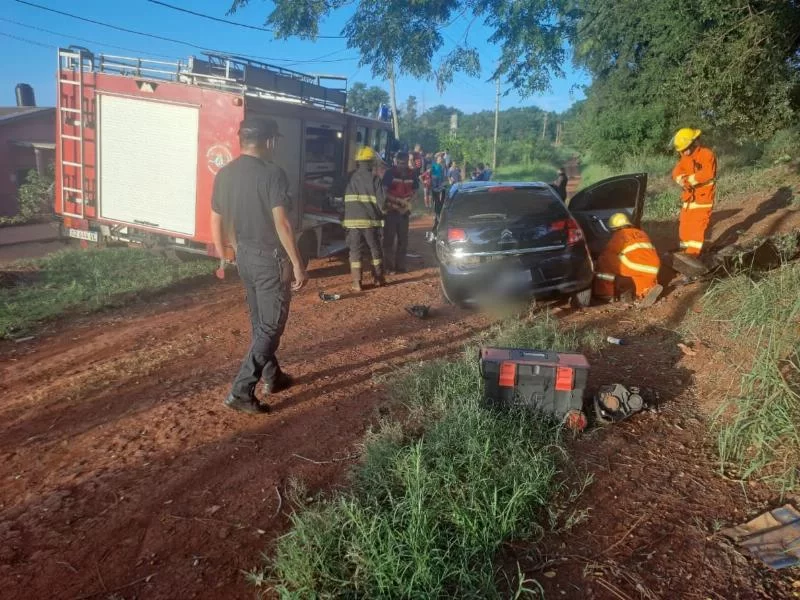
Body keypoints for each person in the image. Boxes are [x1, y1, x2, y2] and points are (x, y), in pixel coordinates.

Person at [211, 117, 308, 414]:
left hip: (245, 257)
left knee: (259, 323)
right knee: (270, 326)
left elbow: (218, 218)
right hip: (269, 259)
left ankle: (273, 376)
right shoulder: (272, 174)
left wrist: (225, 253)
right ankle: (241, 390)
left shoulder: (225, 174)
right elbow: (282, 222)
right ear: (269, 142)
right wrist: (297, 262)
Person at [593, 212, 662, 307]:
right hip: (654, 265)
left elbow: (608, 253)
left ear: (615, 228)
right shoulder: (641, 233)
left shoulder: (619, 235)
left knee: (604, 259)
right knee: (643, 276)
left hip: (635, 266)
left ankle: (605, 293)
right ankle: (647, 290)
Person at [344, 147, 386, 291]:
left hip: (351, 221)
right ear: (371, 163)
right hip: (369, 221)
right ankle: (378, 278)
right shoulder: (375, 179)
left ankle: (357, 282)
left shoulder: (350, 177)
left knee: (355, 251)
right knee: (375, 250)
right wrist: (385, 213)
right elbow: (382, 203)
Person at [671, 128, 717, 256]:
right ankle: (684, 254)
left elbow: (707, 173)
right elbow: (676, 172)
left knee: (697, 229)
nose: (684, 152)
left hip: (703, 200)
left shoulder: (706, 154)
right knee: (684, 228)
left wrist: (689, 180)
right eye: (681, 150)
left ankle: (692, 256)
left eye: (686, 148)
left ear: (694, 143)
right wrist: (680, 179)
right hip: (688, 200)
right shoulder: (685, 158)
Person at [382, 151, 417, 273]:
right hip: (391, 211)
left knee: (403, 240)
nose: (403, 166)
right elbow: (384, 192)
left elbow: (415, 190)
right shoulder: (389, 174)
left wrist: (407, 202)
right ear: (396, 162)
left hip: (404, 212)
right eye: (400, 163)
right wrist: (396, 201)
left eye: (405, 163)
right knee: (389, 240)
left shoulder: (412, 174)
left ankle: (400, 266)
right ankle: (388, 267)